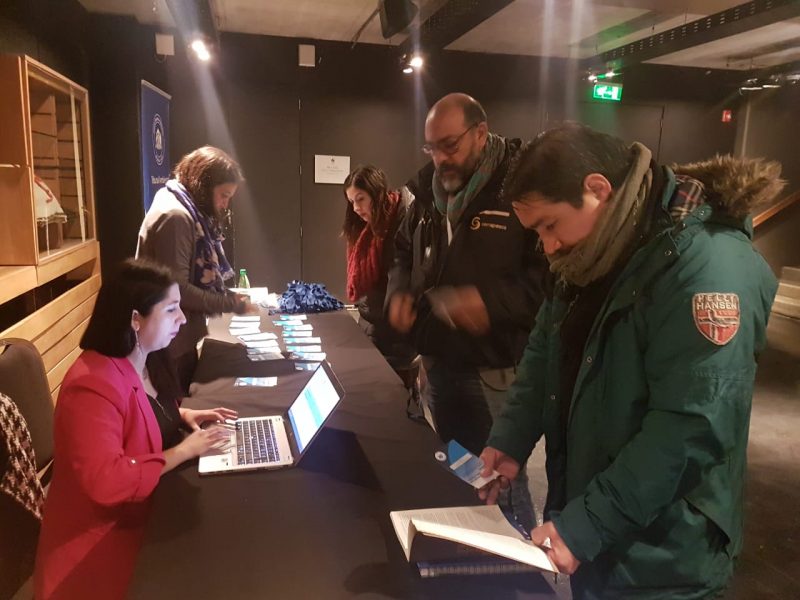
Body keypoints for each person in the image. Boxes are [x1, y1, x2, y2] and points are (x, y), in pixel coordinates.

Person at [479, 122, 783, 598]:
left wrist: (591, 521)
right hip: (602, 525)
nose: (548, 246)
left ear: (598, 190)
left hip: (665, 555)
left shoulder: (708, 267)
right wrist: (510, 439)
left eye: (550, 225)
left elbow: (691, 426)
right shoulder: (590, 254)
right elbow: (545, 353)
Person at [386, 93, 547, 532]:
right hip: (439, 362)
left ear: (480, 133)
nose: (440, 158)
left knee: (501, 485)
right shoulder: (425, 191)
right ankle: (469, 550)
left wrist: (488, 303)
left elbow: (548, 284)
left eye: (450, 145)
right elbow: (402, 251)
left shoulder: (521, 187)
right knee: (459, 473)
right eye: (432, 148)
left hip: (494, 370)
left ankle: (521, 563)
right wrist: (399, 292)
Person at [34, 259, 235, 599]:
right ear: (135, 319)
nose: (183, 318)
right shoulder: (92, 385)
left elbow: (142, 410)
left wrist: (183, 416)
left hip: (140, 514)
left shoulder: (146, 357)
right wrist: (182, 451)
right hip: (94, 551)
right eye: (171, 310)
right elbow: (106, 481)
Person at [137, 145, 256, 393]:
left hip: (173, 338)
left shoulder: (176, 200)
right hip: (169, 344)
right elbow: (177, 291)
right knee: (176, 405)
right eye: (223, 195)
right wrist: (231, 303)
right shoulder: (176, 216)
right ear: (204, 186)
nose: (225, 204)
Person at [342, 165, 416, 367]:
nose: (356, 208)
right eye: (351, 202)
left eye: (360, 199)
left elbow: (403, 275)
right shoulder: (365, 227)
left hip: (394, 330)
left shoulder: (402, 221)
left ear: (376, 193)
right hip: (371, 320)